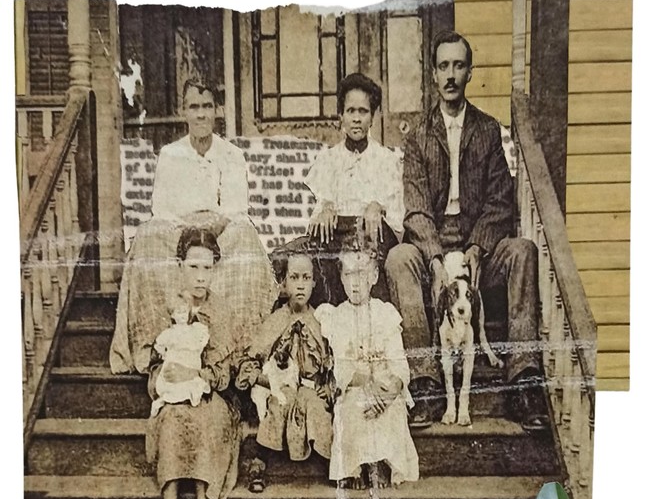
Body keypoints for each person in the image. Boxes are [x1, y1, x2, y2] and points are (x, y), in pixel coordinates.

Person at [384, 30, 547, 430]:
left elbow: (500, 199)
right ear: (434, 75)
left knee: (524, 250)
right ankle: (424, 382)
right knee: (398, 258)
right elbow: (417, 206)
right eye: (444, 66)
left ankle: (523, 380)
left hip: (479, 246)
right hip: (433, 245)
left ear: (470, 72)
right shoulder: (418, 135)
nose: (451, 75)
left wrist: (477, 248)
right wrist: (436, 258)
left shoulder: (488, 130)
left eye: (459, 65)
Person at [110, 78, 277, 375]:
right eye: (194, 107)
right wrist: (190, 230)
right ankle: (156, 344)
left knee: (246, 234)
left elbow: (235, 208)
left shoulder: (231, 155)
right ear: (184, 111)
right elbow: (162, 208)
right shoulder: (171, 154)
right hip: (180, 234)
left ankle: (238, 347)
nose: (201, 115)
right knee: (148, 234)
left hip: (221, 234)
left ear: (217, 111)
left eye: (207, 107)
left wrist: (212, 226)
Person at [146, 224, 246, 499]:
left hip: (214, 397)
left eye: (207, 268)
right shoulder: (168, 309)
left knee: (205, 415)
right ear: (180, 267)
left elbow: (225, 375)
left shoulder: (223, 311)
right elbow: (154, 364)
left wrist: (197, 374)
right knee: (172, 418)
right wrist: (167, 377)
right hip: (173, 395)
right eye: (193, 267)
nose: (201, 277)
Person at [316, 247, 419, 490]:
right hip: (356, 386)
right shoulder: (338, 316)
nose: (355, 283)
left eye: (361, 274)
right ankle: (356, 465)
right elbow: (341, 367)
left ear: (373, 277)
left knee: (392, 410)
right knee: (351, 408)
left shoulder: (386, 313)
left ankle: (382, 462)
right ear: (341, 278)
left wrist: (393, 388)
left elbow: (399, 364)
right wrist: (366, 385)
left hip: (385, 387)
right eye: (349, 274)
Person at [300, 72, 403, 305]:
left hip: (372, 238)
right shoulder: (328, 160)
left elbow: (398, 223)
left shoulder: (387, 161)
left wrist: (378, 206)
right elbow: (317, 214)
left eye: (363, 111)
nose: (356, 119)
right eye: (351, 111)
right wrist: (325, 207)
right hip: (336, 235)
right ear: (341, 117)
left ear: (373, 118)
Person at [245, 251, 334, 493]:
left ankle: (331, 464)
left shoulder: (321, 320)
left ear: (315, 282)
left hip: (309, 388)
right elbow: (252, 359)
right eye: (294, 278)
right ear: (284, 283)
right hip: (280, 385)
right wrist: (264, 379)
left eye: (306, 278)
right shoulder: (275, 320)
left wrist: (327, 386)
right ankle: (260, 461)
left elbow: (331, 362)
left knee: (315, 407)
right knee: (280, 403)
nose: (301, 285)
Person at [149, 298, 211, 418]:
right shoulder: (170, 333)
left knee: (193, 383)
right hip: (176, 363)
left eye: (184, 311)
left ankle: (190, 403)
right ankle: (162, 402)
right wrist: (165, 355)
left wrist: (195, 353)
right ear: (172, 315)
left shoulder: (196, 329)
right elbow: (158, 345)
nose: (182, 315)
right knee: (175, 387)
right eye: (178, 312)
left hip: (190, 364)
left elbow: (200, 345)